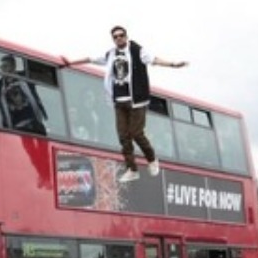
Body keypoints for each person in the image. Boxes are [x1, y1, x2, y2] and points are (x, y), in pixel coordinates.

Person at [64, 26, 188, 182]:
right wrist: (70, 62)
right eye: (115, 37)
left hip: (136, 100)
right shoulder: (110, 54)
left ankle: (152, 159)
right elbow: (91, 59)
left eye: (121, 35)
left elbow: (154, 60)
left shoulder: (137, 50)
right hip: (119, 101)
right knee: (123, 136)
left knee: (136, 133)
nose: (118, 38)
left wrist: (173, 64)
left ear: (126, 36)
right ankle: (132, 169)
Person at [0, 54, 48, 136]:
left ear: (13, 66)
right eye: (2, 67)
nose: (3, 69)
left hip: (34, 123)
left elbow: (45, 78)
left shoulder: (25, 76)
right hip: (17, 127)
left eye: (5, 66)